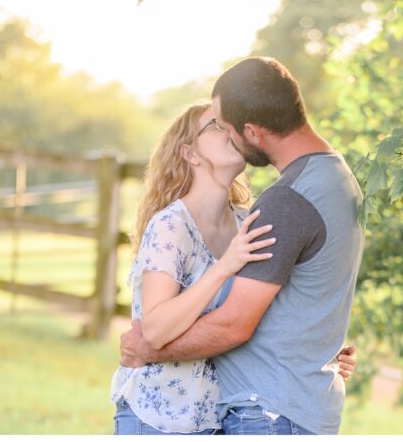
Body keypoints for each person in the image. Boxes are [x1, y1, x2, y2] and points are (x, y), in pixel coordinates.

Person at [120, 57, 365, 435]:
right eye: (213, 126)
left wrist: (323, 350)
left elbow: (240, 321)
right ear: (190, 153)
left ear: (251, 131)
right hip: (162, 414)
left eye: (225, 125)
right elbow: (159, 326)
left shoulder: (252, 219)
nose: (226, 133)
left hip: (235, 414)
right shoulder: (174, 225)